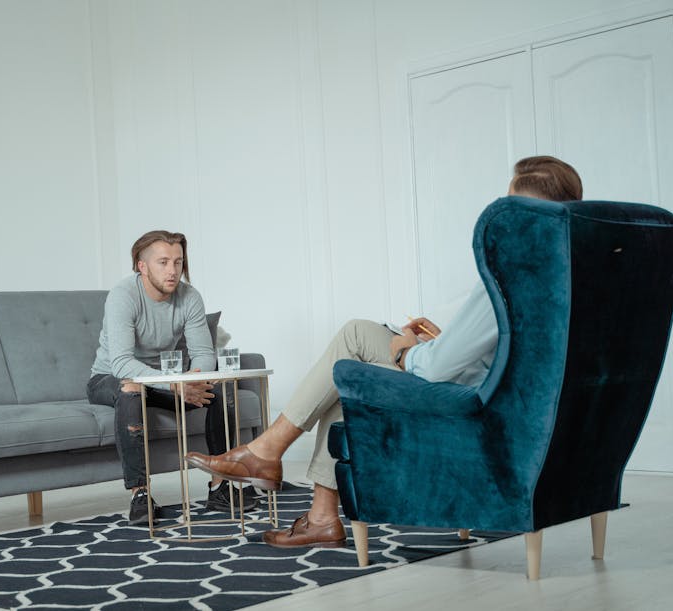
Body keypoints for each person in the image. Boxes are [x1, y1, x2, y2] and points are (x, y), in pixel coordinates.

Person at [186, 156, 583, 547]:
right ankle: (306, 499)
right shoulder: (570, 270)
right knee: (352, 355)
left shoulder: (511, 271)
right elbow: (515, 348)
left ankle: (276, 464)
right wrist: (443, 340)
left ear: (528, 212)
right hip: (513, 395)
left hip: (474, 400)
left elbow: (441, 367)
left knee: (352, 355)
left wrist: (406, 353)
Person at [87, 230, 258, 525]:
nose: (172, 271)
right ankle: (140, 494)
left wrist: (193, 380)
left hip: (167, 380)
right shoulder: (123, 296)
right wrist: (176, 384)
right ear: (142, 266)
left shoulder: (189, 297)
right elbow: (121, 363)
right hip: (111, 379)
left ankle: (221, 486)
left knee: (219, 388)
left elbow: (204, 353)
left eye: (177, 262)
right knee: (131, 389)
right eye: (163, 262)